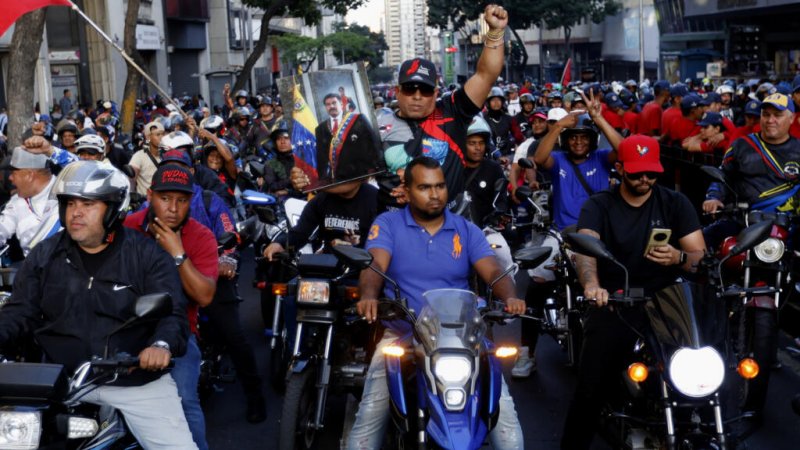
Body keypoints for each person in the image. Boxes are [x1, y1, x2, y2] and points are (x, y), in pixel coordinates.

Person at [0, 160, 195, 448]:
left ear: (114, 209)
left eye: (89, 204)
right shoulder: (45, 254)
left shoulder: (147, 256)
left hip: (131, 382)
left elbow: (173, 313)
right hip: (58, 381)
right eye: (70, 203)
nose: (76, 213)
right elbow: (20, 310)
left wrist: (161, 345)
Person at [348, 157, 525, 450]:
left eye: (440, 186)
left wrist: (511, 296)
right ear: (406, 190)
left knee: (505, 421)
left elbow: (492, 270)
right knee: (369, 419)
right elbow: (375, 266)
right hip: (403, 334)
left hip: (461, 337)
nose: (435, 194)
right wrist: (368, 295)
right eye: (425, 187)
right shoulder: (388, 224)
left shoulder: (465, 229)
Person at [561, 135, 705, 449]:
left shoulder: (675, 202)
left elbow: (698, 255)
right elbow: (586, 249)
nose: (644, 179)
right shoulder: (600, 204)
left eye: (651, 173)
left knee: (703, 377)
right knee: (590, 389)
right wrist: (592, 285)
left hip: (667, 304)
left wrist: (679, 257)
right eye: (637, 172)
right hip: (615, 301)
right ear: (620, 169)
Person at [701, 93, 800, 423]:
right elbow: (722, 176)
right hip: (743, 222)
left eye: (777, 115)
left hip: (787, 231)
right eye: (766, 114)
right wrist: (713, 198)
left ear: (791, 119)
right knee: (696, 252)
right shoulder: (743, 146)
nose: (770, 120)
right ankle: (695, 322)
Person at [124, 164, 218, 450]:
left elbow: (204, 297)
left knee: (184, 401)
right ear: (150, 195)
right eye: (165, 199)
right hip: (123, 328)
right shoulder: (126, 227)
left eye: (182, 200)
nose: (173, 208)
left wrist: (177, 253)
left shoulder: (201, 236)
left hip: (179, 333)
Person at [379, 4, 509, 209]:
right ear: (397, 92)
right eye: (410, 89)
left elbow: (486, 75)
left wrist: (495, 32)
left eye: (425, 90)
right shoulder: (378, 126)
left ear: (436, 94)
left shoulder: (452, 112)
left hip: (448, 227)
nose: (417, 96)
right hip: (395, 228)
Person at [0, 146, 61, 256]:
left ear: (29, 175)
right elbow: (3, 228)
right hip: (32, 269)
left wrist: (53, 151)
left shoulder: (65, 192)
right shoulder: (16, 202)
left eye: (13, 173)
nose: (10, 178)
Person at [464, 116, 506, 228]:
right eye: (472, 143)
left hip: (487, 228)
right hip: (458, 227)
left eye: (481, 143)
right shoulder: (454, 168)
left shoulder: (494, 168)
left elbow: (501, 199)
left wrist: (497, 214)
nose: (478, 147)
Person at [262, 127, 311, 197]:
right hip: (284, 201)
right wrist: (290, 180)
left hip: (307, 196)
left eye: (286, 138)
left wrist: (287, 192)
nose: (282, 142)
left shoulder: (305, 159)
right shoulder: (271, 164)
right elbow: (271, 186)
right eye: (278, 139)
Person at [130, 120, 164, 196]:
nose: (162, 137)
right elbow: (132, 179)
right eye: (158, 135)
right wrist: (132, 197)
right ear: (148, 137)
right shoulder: (139, 156)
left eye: (163, 134)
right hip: (145, 201)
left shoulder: (167, 156)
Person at [314, 93, 345, 171]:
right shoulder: (320, 129)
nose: (331, 106)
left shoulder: (357, 120)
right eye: (328, 104)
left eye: (334, 103)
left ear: (341, 104)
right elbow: (321, 157)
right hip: (335, 174)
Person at [485, 86, 515, 158]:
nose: (496, 103)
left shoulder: (508, 118)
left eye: (498, 100)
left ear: (502, 102)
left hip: (508, 156)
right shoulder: (484, 120)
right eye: (493, 100)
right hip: (489, 157)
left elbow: (517, 136)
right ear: (488, 103)